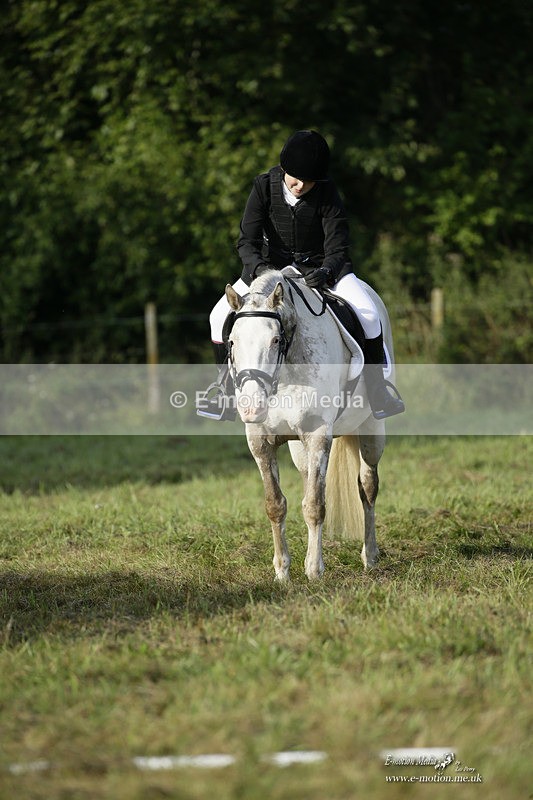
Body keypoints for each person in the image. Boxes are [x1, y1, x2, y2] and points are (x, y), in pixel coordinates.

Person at [198, 130, 404, 421]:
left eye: (308, 181)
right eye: (295, 178)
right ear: (284, 169)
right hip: (267, 270)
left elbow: (339, 244)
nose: (301, 185)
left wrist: (326, 271)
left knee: (369, 314)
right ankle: (226, 392)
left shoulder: (327, 192)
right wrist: (260, 271)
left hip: (322, 270)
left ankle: (378, 390)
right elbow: (247, 241)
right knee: (218, 316)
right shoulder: (263, 187)